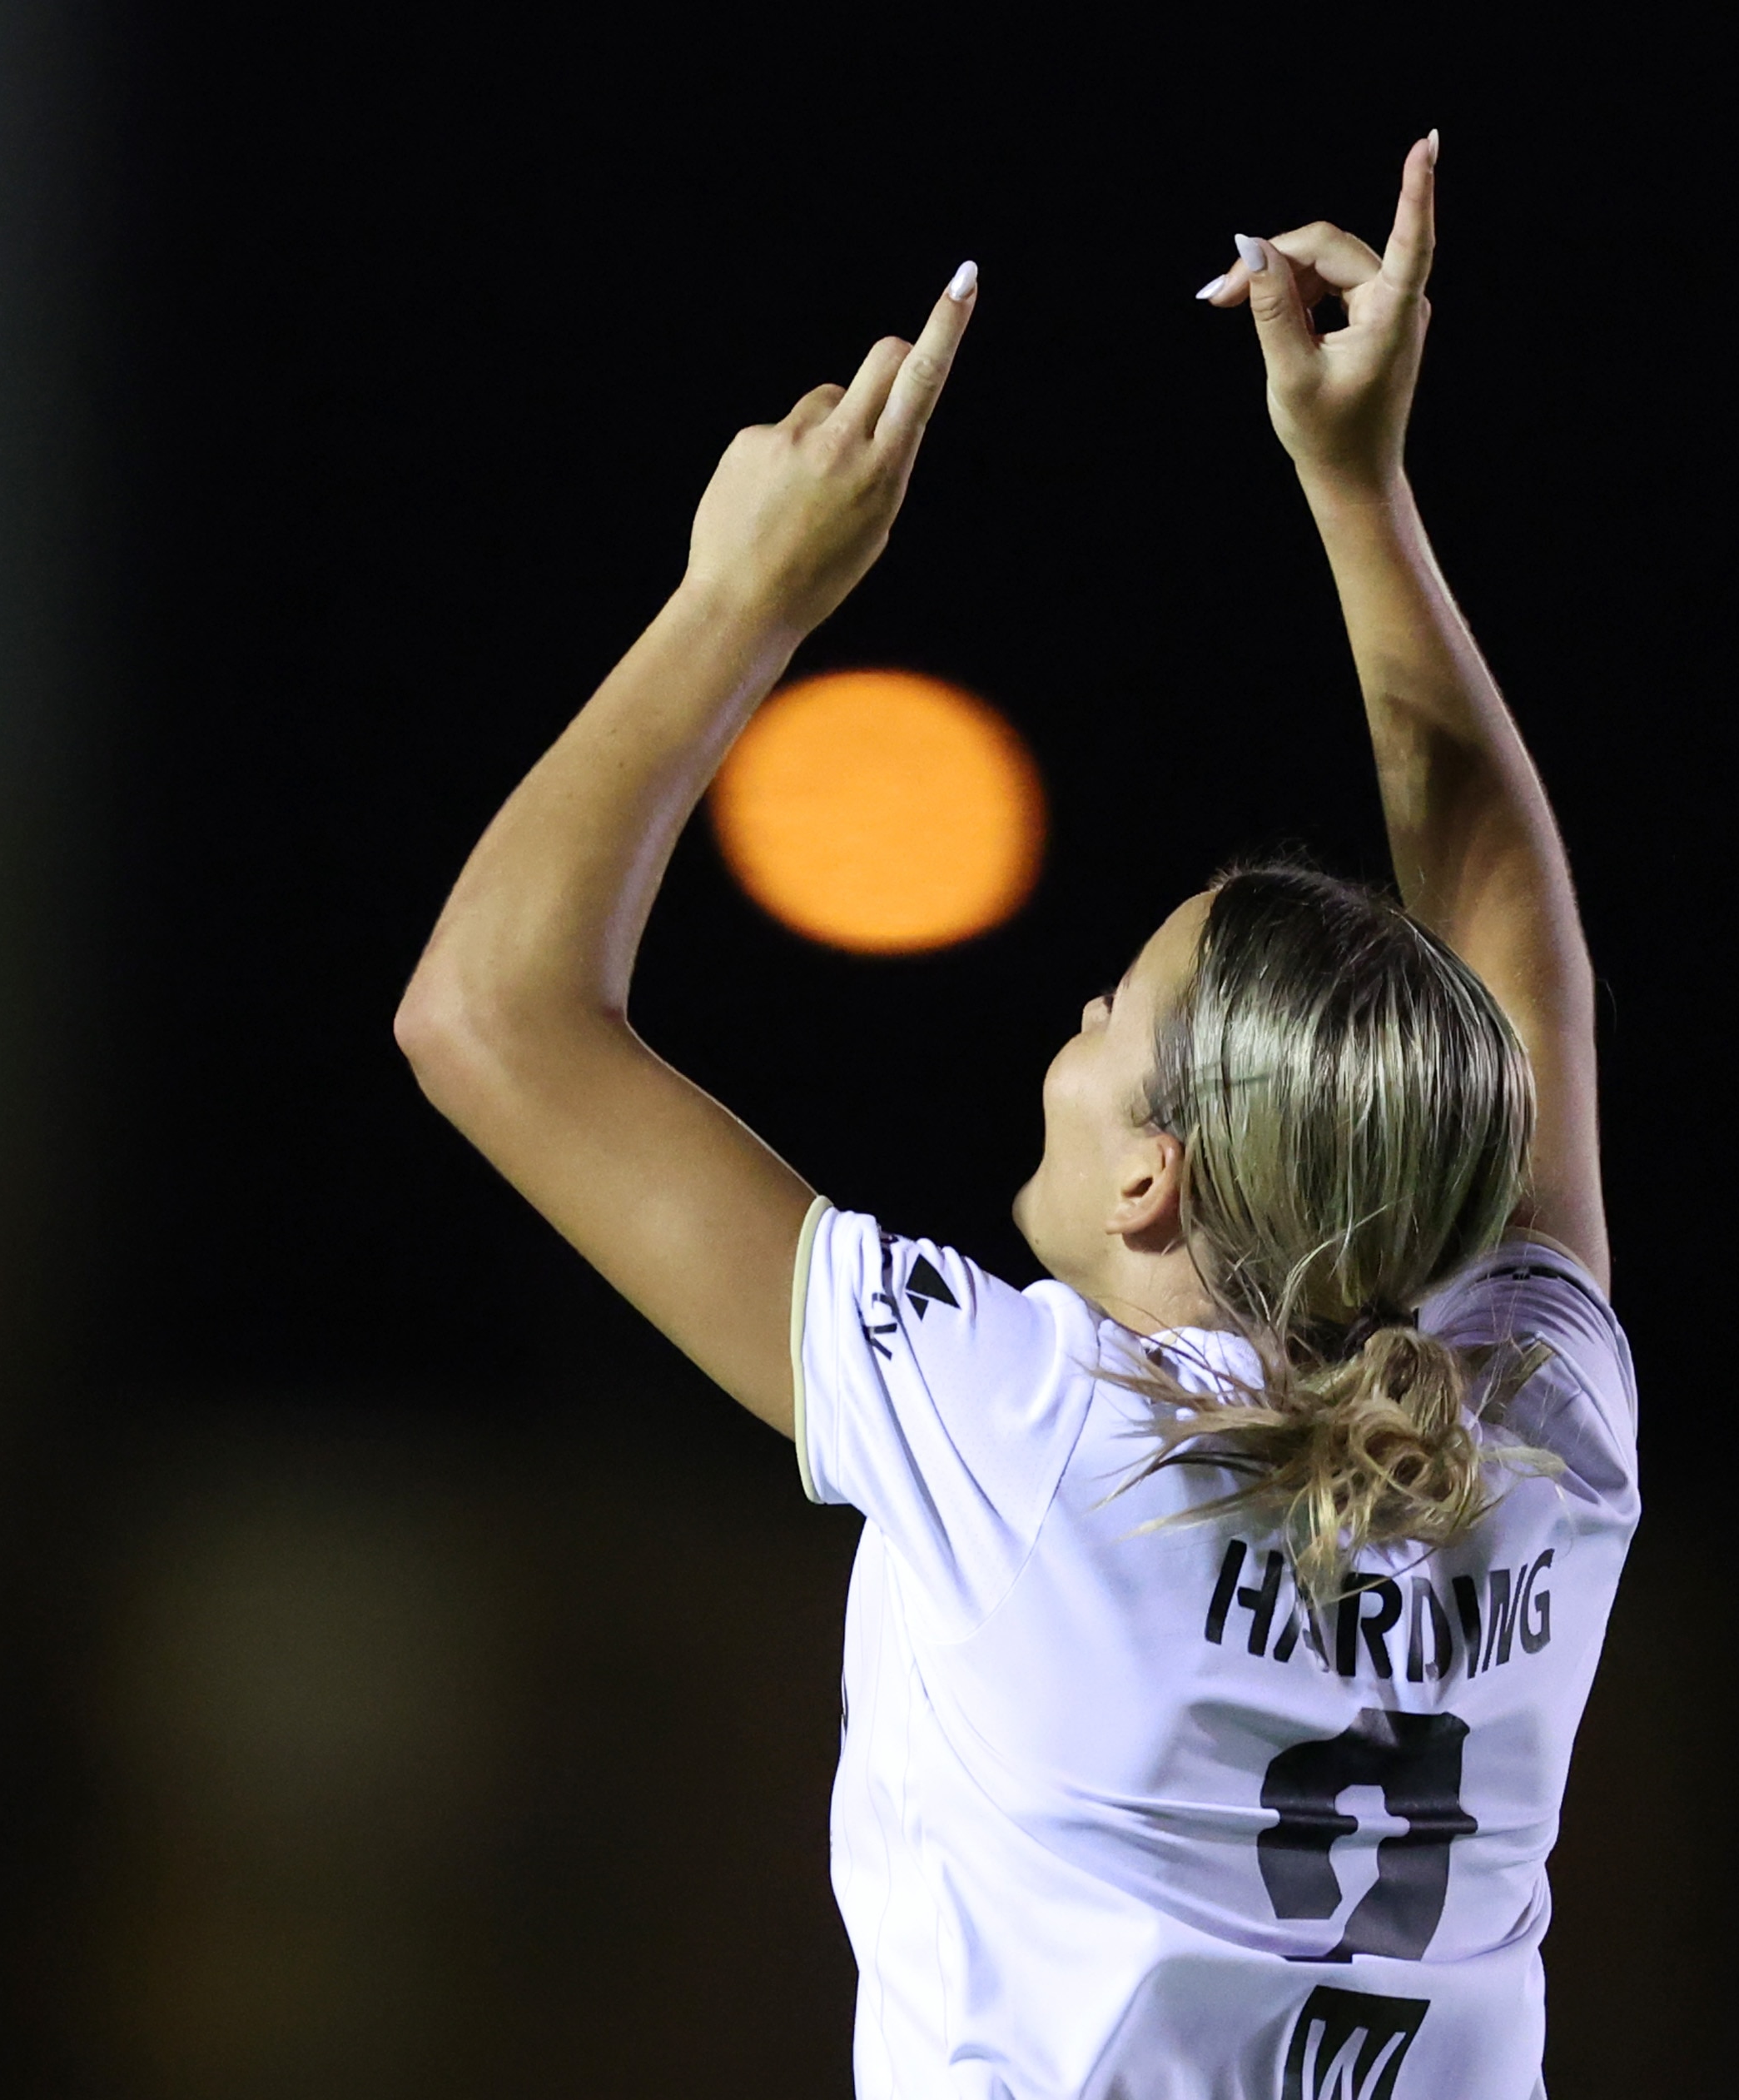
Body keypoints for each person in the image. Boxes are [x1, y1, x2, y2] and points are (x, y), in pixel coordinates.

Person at [395, 129, 1630, 2100]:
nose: (1061, 1020)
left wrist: (738, 597)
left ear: (1151, 1176)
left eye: (1103, 1011)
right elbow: (1508, 935)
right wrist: (1360, 484)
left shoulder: (1034, 1436)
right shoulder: (1531, 1450)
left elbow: (483, 1015)